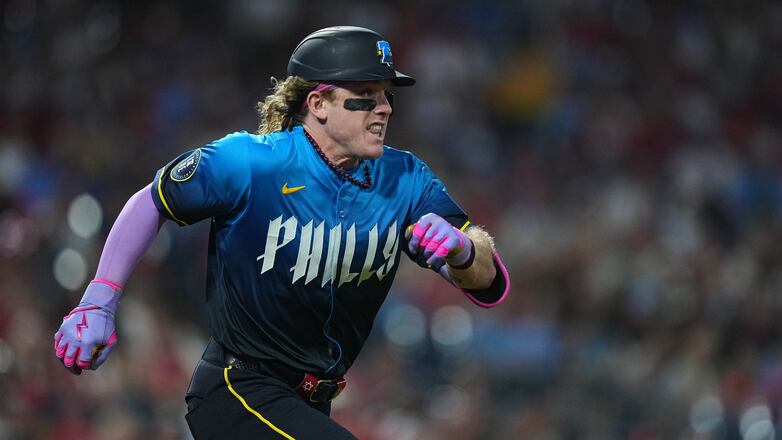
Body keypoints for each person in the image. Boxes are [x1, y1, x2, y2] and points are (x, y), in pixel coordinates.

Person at [53, 25, 510, 439]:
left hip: (311, 402)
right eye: (366, 95)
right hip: (237, 388)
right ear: (318, 103)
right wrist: (100, 298)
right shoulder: (252, 162)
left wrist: (464, 250)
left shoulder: (406, 178)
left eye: (387, 95)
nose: (384, 108)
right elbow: (153, 200)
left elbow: (491, 284)